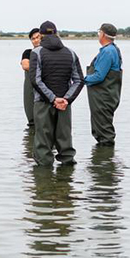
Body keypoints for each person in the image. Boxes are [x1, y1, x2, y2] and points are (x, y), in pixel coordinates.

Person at [28, 21, 85, 166]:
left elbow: (35, 80)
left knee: (43, 142)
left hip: (43, 103)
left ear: (41, 35)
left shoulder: (36, 52)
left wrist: (53, 99)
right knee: (65, 140)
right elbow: (79, 80)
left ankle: (44, 180)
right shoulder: (71, 53)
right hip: (64, 105)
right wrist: (66, 99)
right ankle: (66, 178)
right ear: (56, 33)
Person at [84, 23, 123, 146]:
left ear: (103, 35)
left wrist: (80, 79)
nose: (98, 35)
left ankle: (105, 160)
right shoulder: (113, 49)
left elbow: (99, 76)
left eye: (99, 32)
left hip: (103, 97)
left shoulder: (107, 52)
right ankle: (104, 160)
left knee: (104, 133)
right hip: (106, 96)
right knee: (102, 129)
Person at [21, 27, 41, 128]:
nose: (36, 40)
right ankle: (30, 142)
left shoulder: (49, 53)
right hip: (30, 90)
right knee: (31, 120)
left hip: (45, 91)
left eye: (38, 37)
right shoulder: (28, 52)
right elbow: (25, 65)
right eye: (33, 38)